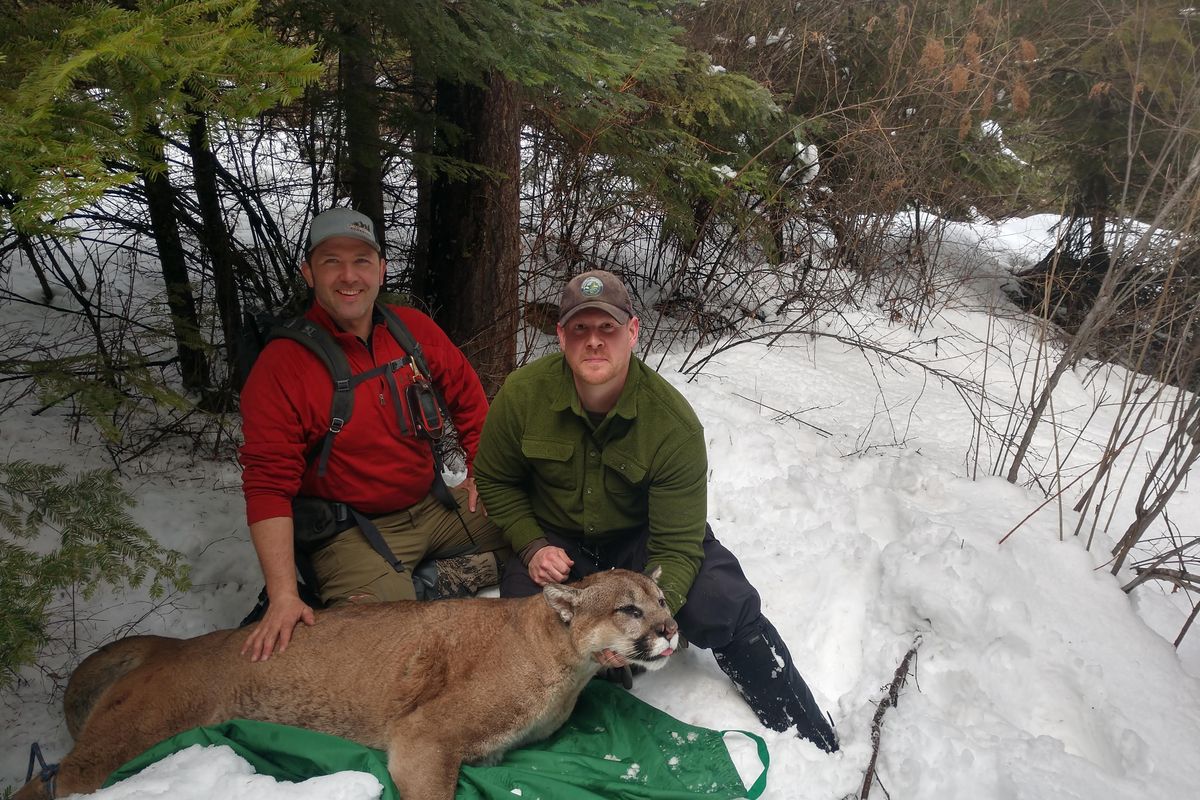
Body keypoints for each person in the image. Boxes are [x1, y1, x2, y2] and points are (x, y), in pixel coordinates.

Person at [474, 270, 839, 751]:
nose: (594, 342)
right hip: (557, 543)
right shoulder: (522, 395)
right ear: (560, 335)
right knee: (530, 630)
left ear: (632, 332)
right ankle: (588, 717)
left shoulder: (672, 422)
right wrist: (531, 545)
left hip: (641, 540)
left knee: (719, 599)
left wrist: (645, 622)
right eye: (580, 329)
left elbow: (679, 545)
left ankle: (804, 731)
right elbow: (496, 479)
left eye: (607, 329)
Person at [239, 207, 509, 662]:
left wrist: (482, 470)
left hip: (435, 506)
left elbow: (467, 396)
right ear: (309, 272)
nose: (349, 276)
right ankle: (400, 586)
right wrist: (283, 593)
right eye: (331, 261)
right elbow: (267, 487)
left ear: (381, 269)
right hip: (352, 532)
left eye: (362, 260)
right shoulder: (282, 366)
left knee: (542, 526)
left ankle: (429, 579)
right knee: (379, 646)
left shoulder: (411, 331)